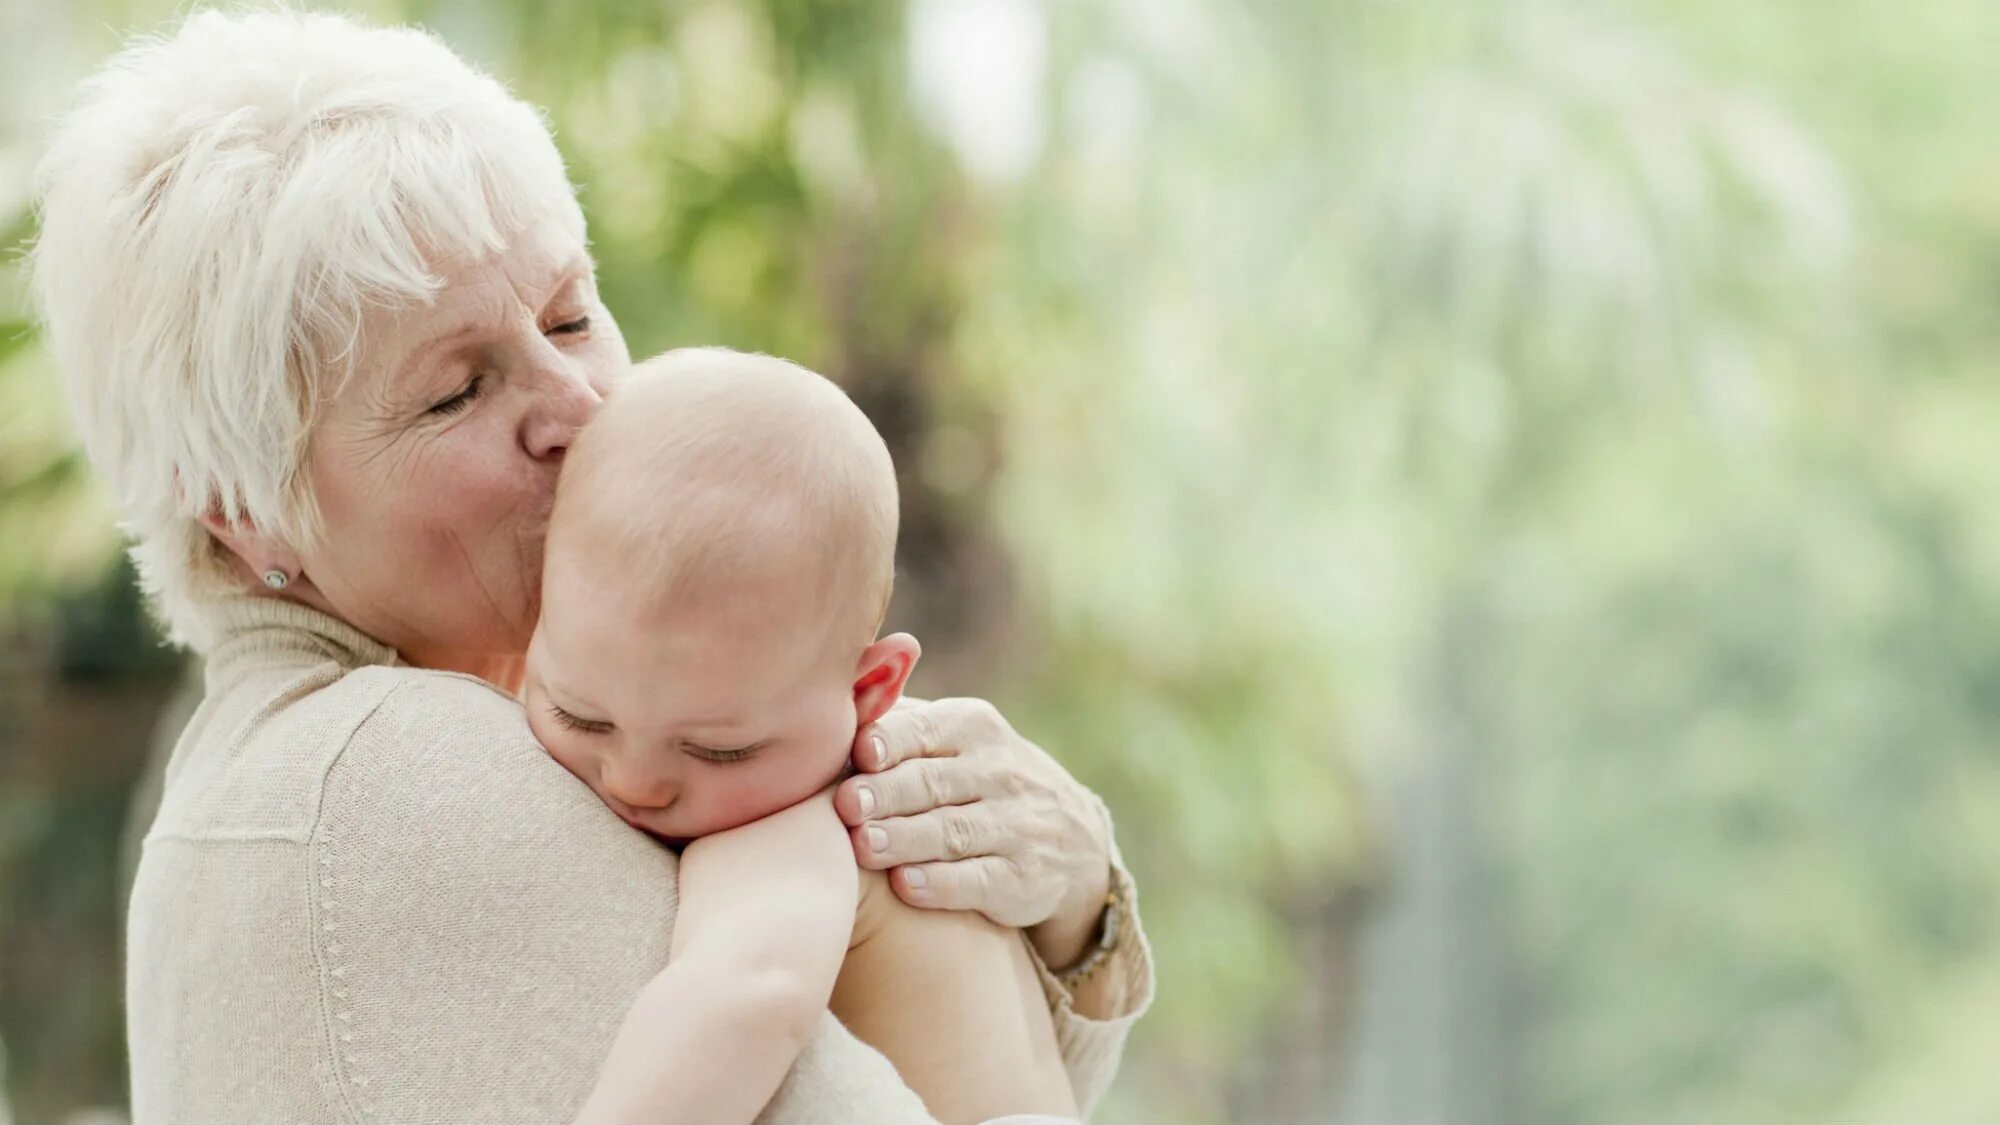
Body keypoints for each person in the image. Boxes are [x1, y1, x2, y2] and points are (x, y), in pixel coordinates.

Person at [28, 9, 1151, 1123]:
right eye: (456, 391)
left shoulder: (546, 714)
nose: (580, 405)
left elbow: (904, 1053)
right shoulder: (396, 775)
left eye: (568, 318)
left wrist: (1068, 903)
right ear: (247, 521)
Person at [537, 347, 1076, 1124]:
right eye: (578, 713)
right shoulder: (762, 723)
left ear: (869, 692)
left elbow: (746, 1000)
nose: (632, 779)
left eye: (718, 749)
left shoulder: (818, 819)